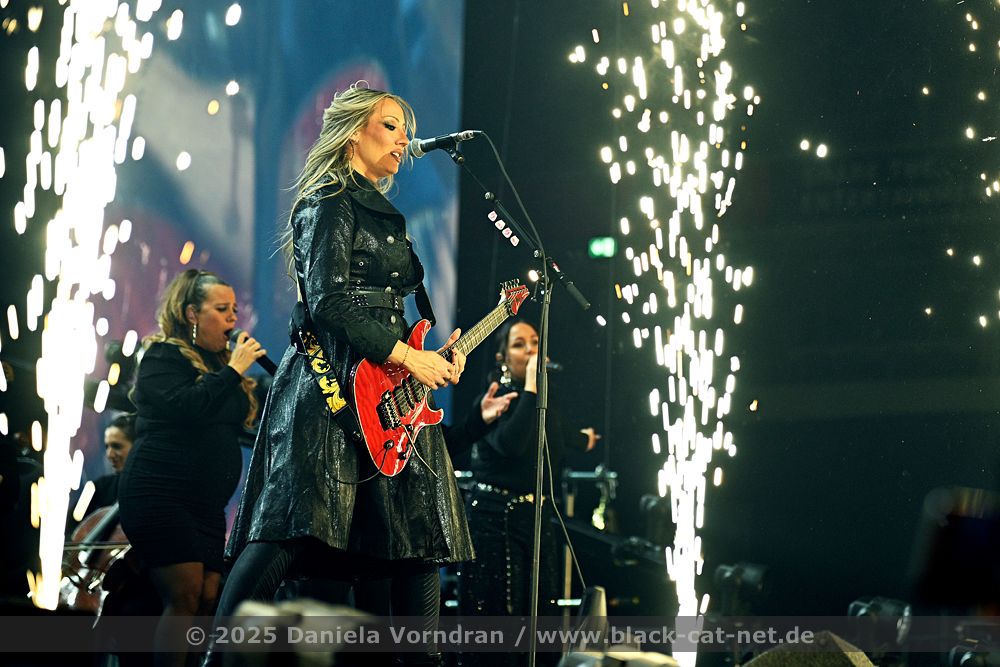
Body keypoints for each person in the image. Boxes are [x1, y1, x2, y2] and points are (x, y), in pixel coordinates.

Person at [211, 84, 472, 667]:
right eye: (390, 126)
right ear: (354, 132)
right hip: (333, 382)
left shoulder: (383, 212)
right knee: (293, 525)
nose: (403, 141)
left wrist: (429, 354)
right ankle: (220, 656)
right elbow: (329, 302)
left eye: (406, 130)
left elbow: (388, 311)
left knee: (415, 538)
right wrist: (408, 358)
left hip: (392, 391)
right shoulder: (327, 203)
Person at [117, 268, 265, 667]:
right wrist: (233, 371)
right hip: (161, 493)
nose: (233, 318)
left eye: (234, 309)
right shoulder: (162, 357)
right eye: (221, 308)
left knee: (207, 598)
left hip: (204, 505)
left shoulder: (220, 365)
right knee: (184, 593)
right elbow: (188, 406)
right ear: (191, 314)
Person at [458, 319, 599, 666]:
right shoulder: (497, 398)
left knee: (539, 615)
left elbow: (558, 435)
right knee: (500, 619)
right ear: (503, 357)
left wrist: (584, 439)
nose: (531, 350)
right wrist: (533, 386)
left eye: (535, 342)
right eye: (520, 344)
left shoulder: (544, 403)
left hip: (535, 521)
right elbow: (514, 442)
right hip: (494, 522)